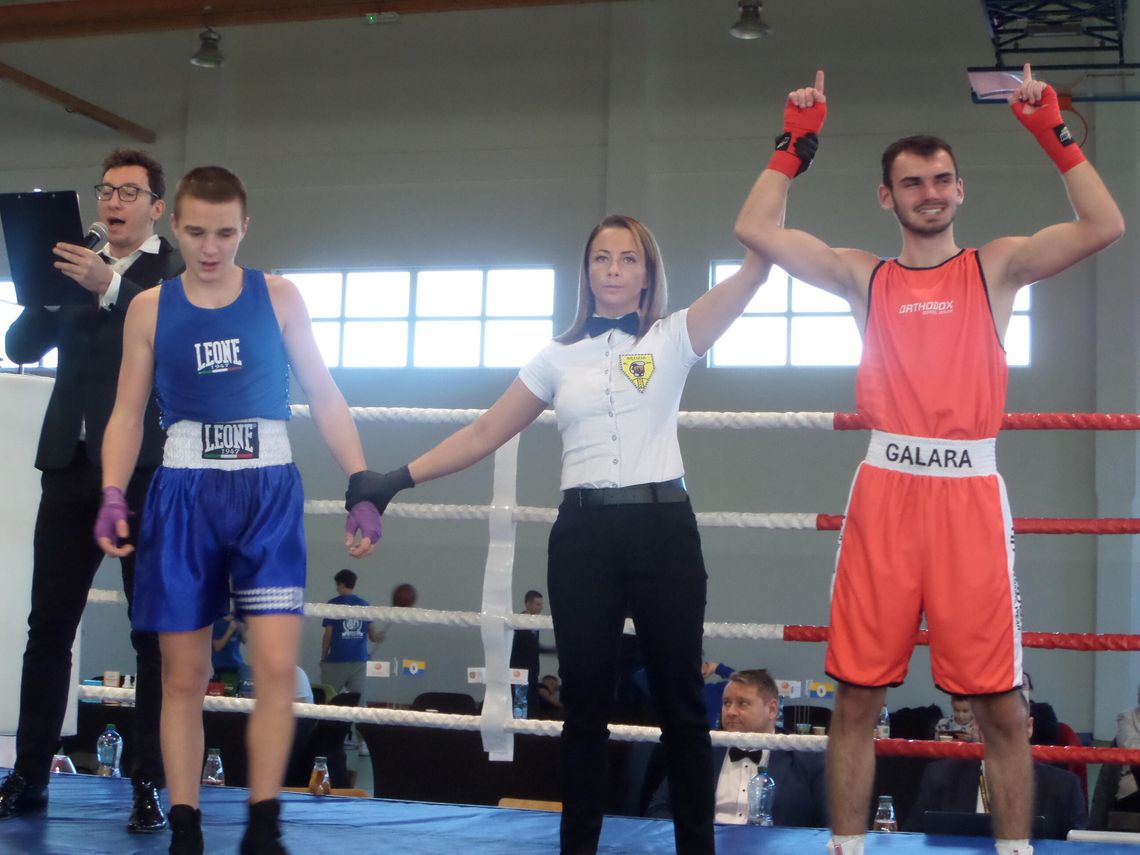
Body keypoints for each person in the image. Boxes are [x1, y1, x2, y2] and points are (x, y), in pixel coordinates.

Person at [733, 65, 1123, 855]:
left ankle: (1014, 854)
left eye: (942, 179)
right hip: (885, 491)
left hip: (970, 494)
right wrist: (794, 144)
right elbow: (757, 231)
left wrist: (1054, 133)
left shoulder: (996, 266)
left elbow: (1104, 224)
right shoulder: (862, 276)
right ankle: (847, 849)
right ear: (889, 197)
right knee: (856, 696)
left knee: (1004, 706)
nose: (930, 192)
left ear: (961, 189)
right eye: (912, 182)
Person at [345, 206, 775, 853]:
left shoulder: (675, 335)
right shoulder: (556, 355)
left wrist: (787, 161)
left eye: (628, 257)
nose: (613, 269)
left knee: (683, 707)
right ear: (586, 271)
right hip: (583, 536)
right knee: (583, 713)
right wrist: (393, 479)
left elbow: (755, 269)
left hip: (663, 529)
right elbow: (484, 431)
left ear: (648, 270)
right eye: (602, 257)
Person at [94, 166, 380, 855]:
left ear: (244, 227)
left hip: (267, 489)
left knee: (278, 667)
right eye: (196, 231)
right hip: (185, 491)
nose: (211, 246)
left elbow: (325, 393)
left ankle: (263, 824)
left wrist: (362, 481)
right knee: (183, 675)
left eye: (224, 232)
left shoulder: (278, 296)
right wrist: (110, 489)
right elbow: (128, 412)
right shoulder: (149, 307)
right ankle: (186, 825)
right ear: (175, 228)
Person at [0, 149, 184, 833]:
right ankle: (28, 774)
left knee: (152, 634)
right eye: (106, 189)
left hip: (144, 472)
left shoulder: (172, 274)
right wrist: (45, 292)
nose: (114, 201)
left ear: (156, 207)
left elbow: (173, 333)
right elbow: (21, 345)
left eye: (130, 191)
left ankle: (150, 783)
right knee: (47, 628)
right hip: (71, 464)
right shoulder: (78, 264)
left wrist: (109, 286)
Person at [647, 669, 827, 828]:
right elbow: (659, 807)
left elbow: (828, 823)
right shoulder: (700, 751)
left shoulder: (806, 757)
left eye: (742, 703)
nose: (730, 711)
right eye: (726, 703)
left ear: (772, 709)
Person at [907, 694, 1087, 840]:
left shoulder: (1064, 787)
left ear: (1029, 727)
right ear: (977, 727)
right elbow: (911, 840)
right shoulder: (940, 776)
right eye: (993, 726)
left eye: (1010, 726)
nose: (1001, 735)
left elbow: (1079, 849)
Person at [320, 568, 384, 697]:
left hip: (336, 660)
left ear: (341, 584)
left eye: (337, 585)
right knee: (358, 701)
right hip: (359, 661)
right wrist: (379, 637)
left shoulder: (333, 604)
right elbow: (373, 636)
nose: (337, 588)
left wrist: (324, 657)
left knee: (328, 699)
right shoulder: (364, 605)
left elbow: (328, 634)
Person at [509, 589, 557, 715]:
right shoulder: (521, 622)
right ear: (528, 604)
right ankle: (520, 731)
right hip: (521, 671)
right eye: (538, 604)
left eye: (541, 604)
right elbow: (528, 646)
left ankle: (526, 730)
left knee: (529, 703)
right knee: (521, 705)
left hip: (530, 670)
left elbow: (533, 646)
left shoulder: (533, 622)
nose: (541, 608)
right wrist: (553, 650)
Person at [212, 611, 246, 684]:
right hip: (223, 667)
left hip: (239, 665)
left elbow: (245, 640)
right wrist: (230, 630)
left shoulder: (237, 621)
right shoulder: (217, 623)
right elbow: (217, 647)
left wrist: (240, 627)